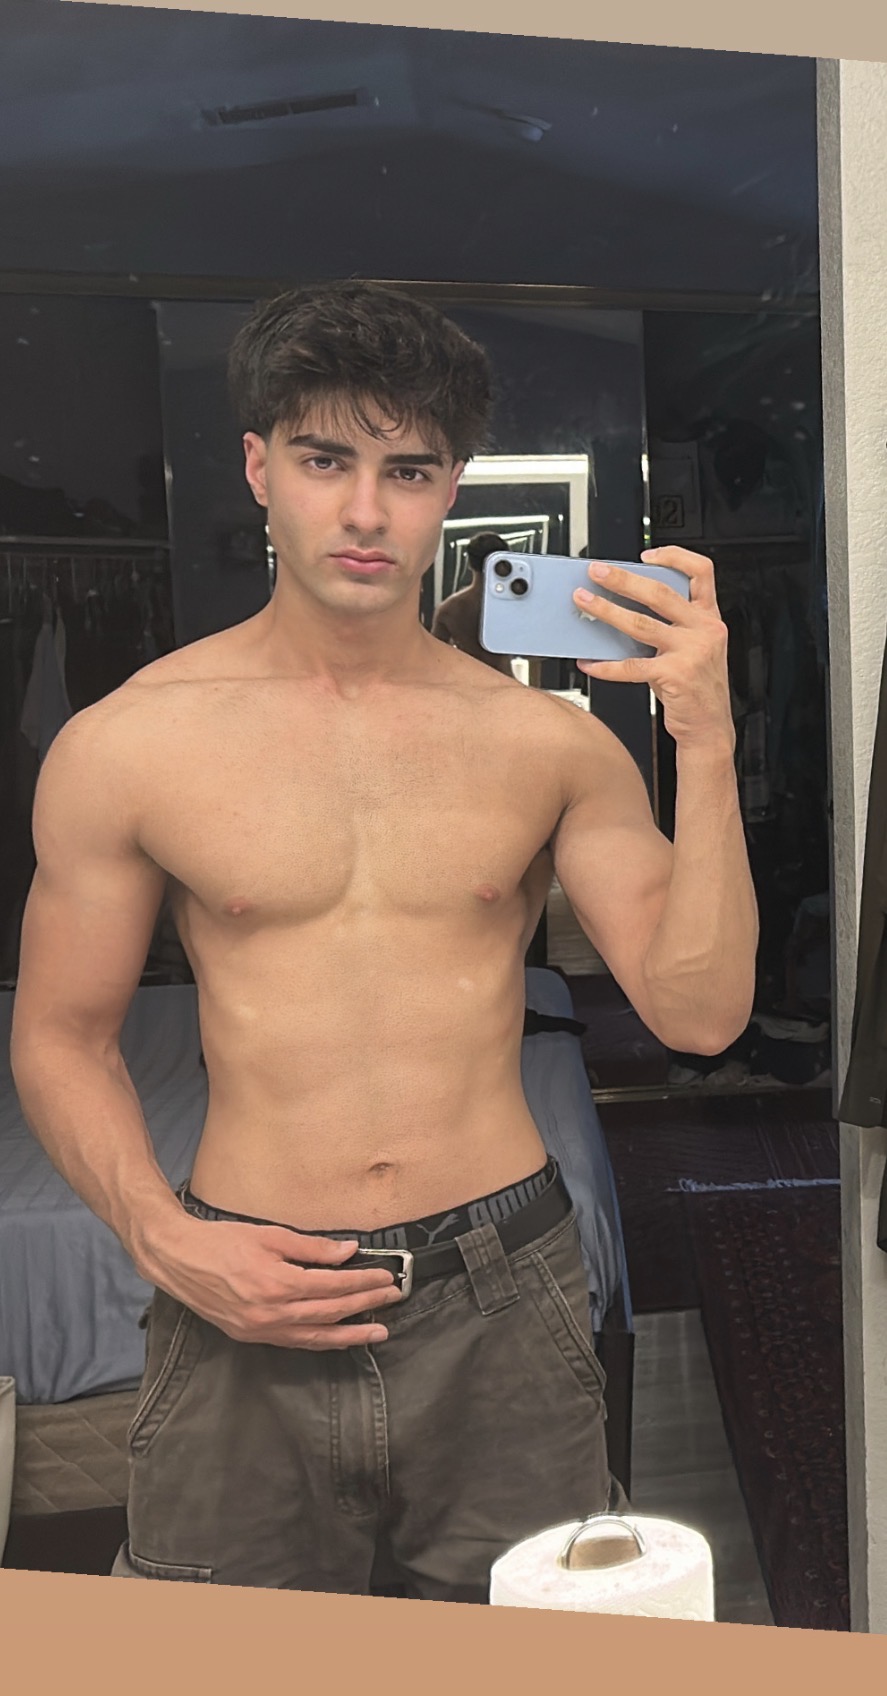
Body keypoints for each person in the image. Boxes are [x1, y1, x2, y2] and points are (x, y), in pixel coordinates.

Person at [10, 280, 758, 1600]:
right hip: (244, 1286)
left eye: (406, 470)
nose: (365, 512)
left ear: (450, 488)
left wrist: (704, 740)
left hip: (501, 1296)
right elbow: (62, 1038)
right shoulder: (128, 743)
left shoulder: (547, 746)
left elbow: (699, 1014)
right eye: (324, 461)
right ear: (259, 469)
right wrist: (158, 1234)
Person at [431, 528, 515, 673]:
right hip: (504, 679)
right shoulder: (512, 605)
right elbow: (535, 653)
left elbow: (434, 657)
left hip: (468, 680)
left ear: (469, 563)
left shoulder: (449, 609)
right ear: (504, 562)